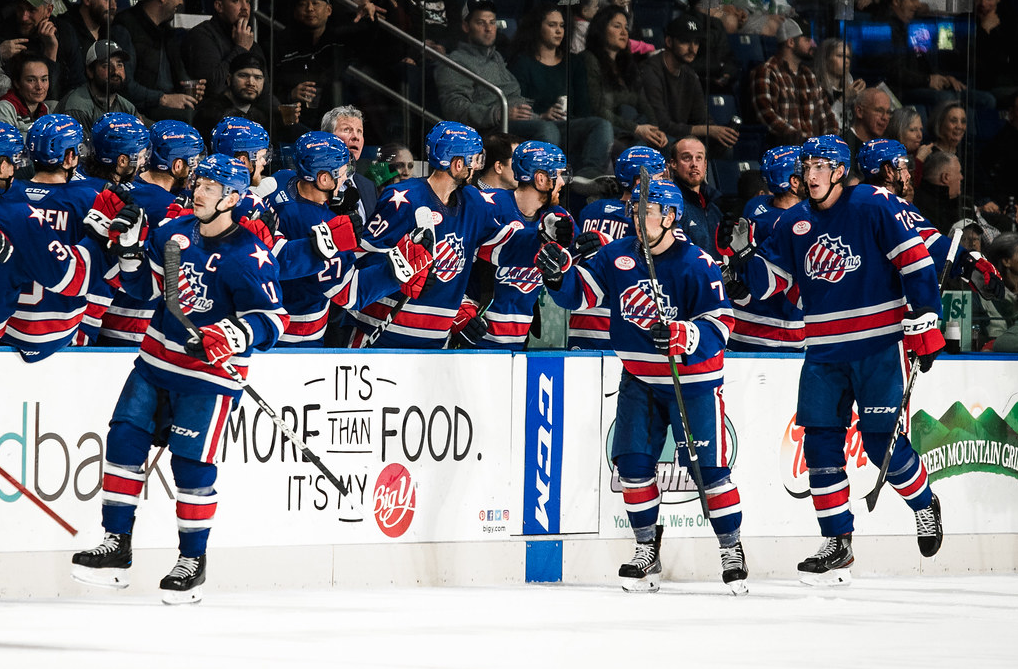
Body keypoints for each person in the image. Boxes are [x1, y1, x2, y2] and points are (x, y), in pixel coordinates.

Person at [717, 135, 946, 584]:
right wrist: (744, 258)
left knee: (880, 443)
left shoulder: (874, 204)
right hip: (823, 349)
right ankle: (837, 541)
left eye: (821, 166)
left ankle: (924, 505)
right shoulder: (793, 222)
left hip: (878, 344)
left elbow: (916, 262)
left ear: (840, 170)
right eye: (807, 166)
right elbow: (772, 283)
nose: (811, 174)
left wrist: (927, 319)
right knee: (820, 441)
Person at [70, 154, 287, 605]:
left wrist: (233, 332)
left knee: (190, 466)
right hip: (153, 362)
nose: (199, 191)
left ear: (233, 197)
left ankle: (192, 560)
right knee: (125, 442)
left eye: (210, 187)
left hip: (207, 380)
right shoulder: (172, 233)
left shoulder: (250, 256)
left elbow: (273, 320)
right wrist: (129, 253)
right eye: (200, 182)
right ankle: (117, 546)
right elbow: (144, 292)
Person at [537, 179, 748, 595]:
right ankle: (646, 551)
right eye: (635, 210)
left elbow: (722, 323)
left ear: (669, 217)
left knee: (709, 473)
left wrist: (686, 335)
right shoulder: (617, 255)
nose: (636, 218)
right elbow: (579, 294)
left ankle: (731, 547)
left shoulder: (698, 263)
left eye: (646, 211)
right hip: (639, 379)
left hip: (693, 382)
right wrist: (559, 276)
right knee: (632, 468)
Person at [347, 121, 519, 349]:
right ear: (458, 164)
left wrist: (540, 241)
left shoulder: (473, 203)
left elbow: (502, 246)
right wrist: (397, 271)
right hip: (382, 337)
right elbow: (362, 259)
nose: (477, 167)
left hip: (435, 344)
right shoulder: (403, 199)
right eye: (475, 159)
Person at [1, 114, 102, 360]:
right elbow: (101, 273)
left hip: (9, 325)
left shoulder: (9, 197)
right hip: (60, 328)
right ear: (69, 156)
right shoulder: (89, 198)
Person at [460, 140, 578, 350]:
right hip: (474, 338)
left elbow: (579, 270)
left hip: (519, 344)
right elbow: (456, 259)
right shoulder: (489, 205)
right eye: (559, 175)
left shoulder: (558, 217)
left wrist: (593, 246)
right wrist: (459, 308)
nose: (562, 182)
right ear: (541, 179)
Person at [97, 120, 205, 346]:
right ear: (177, 165)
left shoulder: (121, 188)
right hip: (140, 322)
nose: (195, 171)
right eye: (193, 162)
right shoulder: (168, 205)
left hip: (108, 315)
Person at [569, 145, 667, 349]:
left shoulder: (591, 210)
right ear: (640, 181)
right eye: (659, 177)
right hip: (626, 320)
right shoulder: (648, 220)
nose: (664, 183)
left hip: (582, 318)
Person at [506, 4, 613, 179]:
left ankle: (586, 179)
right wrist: (542, 115)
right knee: (548, 129)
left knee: (602, 125)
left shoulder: (574, 63)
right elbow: (520, 110)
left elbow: (583, 109)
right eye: (552, 25)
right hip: (536, 127)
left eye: (562, 26)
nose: (558, 31)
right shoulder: (523, 63)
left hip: (567, 127)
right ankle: (547, 178)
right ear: (538, 27)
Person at [728, 145, 805, 352]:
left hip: (742, 324)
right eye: (806, 170)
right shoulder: (800, 223)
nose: (813, 177)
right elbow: (763, 283)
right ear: (794, 182)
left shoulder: (755, 204)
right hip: (778, 333)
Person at [639, 15, 738, 151]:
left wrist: (718, 132)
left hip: (681, 137)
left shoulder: (690, 75)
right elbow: (661, 124)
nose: (692, 49)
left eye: (696, 42)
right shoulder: (650, 71)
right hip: (658, 137)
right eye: (685, 42)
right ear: (668, 41)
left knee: (723, 146)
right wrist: (708, 130)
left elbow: (702, 118)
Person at [880, 0, 996, 110]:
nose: (917, 5)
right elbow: (894, 72)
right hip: (902, 90)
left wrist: (945, 77)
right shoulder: (884, 27)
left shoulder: (915, 26)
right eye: (912, 0)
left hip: (922, 83)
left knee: (987, 100)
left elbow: (924, 61)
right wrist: (927, 80)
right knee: (948, 98)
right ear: (896, 1)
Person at [581, 6, 667, 153]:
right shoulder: (588, 59)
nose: (624, 32)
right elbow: (596, 109)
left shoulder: (627, 64)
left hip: (634, 130)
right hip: (609, 128)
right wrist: (635, 129)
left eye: (626, 28)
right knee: (641, 152)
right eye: (617, 26)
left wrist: (655, 129)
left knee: (669, 145)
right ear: (601, 29)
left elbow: (643, 104)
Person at [751, 18, 837, 149]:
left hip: (814, 153)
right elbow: (767, 115)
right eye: (807, 40)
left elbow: (826, 114)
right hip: (784, 152)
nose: (813, 44)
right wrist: (802, 141)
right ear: (791, 42)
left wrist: (829, 143)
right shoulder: (767, 71)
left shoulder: (809, 75)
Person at [114, 0, 205, 122]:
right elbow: (125, 85)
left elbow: (180, 78)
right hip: (142, 109)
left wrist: (190, 88)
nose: (181, 3)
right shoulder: (124, 26)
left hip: (169, 105)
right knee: (196, 120)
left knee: (212, 114)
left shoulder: (168, 32)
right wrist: (163, 98)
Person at [55, 39, 138, 141]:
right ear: (90, 71)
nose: (116, 71)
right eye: (106, 66)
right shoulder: (77, 107)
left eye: (119, 65)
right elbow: (80, 153)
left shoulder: (128, 108)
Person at [182, 0, 265, 100]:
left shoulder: (251, 44)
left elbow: (265, 92)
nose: (245, 7)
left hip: (250, 112)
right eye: (236, 1)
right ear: (219, 6)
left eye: (247, 1)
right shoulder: (202, 36)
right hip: (215, 112)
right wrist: (241, 49)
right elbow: (214, 87)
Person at [320, 105, 378, 223]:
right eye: (347, 130)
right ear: (328, 137)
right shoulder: (316, 183)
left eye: (359, 131)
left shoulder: (368, 186)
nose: (356, 137)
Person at [669, 136, 723, 260]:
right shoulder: (671, 206)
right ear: (674, 164)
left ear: (705, 165)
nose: (694, 164)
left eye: (699, 158)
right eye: (687, 158)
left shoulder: (714, 209)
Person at [0, 0, 61, 98]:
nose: (24, 17)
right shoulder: (5, 27)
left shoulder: (64, 34)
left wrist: (51, 51)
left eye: (32, 10)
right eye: (20, 8)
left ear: (48, 10)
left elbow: (72, 88)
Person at [814, 38, 865, 132]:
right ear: (825, 59)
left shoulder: (852, 86)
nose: (846, 61)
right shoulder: (816, 89)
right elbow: (822, 126)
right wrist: (843, 100)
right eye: (840, 56)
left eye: (848, 57)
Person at [0, 52, 55, 138]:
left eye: (44, 79)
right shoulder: (5, 108)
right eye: (31, 80)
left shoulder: (45, 109)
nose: (39, 87)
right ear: (17, 83)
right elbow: (5, 146)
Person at [913, 150, 966, 236]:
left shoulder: (965, 203)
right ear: (945, 177)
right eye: (959, 172)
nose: (961, 177)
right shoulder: (921, 208)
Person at [886, 105, 932, 187]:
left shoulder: (920, 152)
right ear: (899, 130)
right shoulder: (888, 157)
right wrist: (919, 159)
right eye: (913, 130)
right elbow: (907, 188)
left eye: (920, 129)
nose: (919, 135)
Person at [844, 87, 891, 161]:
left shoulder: (886, 149)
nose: (885, 117)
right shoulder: (843, 147)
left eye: (888, 112)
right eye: (879, 111)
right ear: (859, 111)